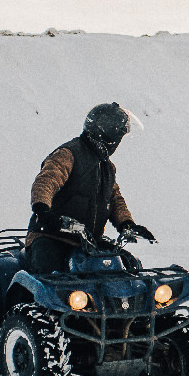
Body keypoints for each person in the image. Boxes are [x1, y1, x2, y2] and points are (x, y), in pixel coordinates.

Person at [23, 102, 155, 274]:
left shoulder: (106, 167)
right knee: (50, 274)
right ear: (109, 136)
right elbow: (47, 180)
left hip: (86, 242)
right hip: (52, 236)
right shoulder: (69, 154)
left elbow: (114, 198)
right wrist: (43, 210)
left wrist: (127, 224)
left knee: (127, 265)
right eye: (118, 138)